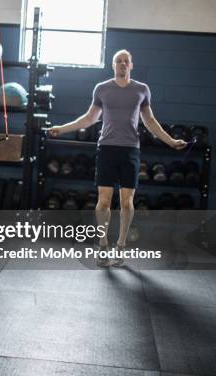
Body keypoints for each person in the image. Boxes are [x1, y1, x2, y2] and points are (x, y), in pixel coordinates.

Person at [47, 49, 187, 267]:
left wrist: (170, 141)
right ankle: (102, 245)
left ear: (131, 65)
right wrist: (62, 128)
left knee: (126, 202)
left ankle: (121, 245)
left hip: (130, 150)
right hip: (107, 149)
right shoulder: (102, 89)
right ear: (113, 66)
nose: (122, 64)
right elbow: (89, 118)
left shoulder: (142, 89)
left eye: (126, 61)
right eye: (118, 61)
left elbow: (150, 121)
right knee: (103, 202)